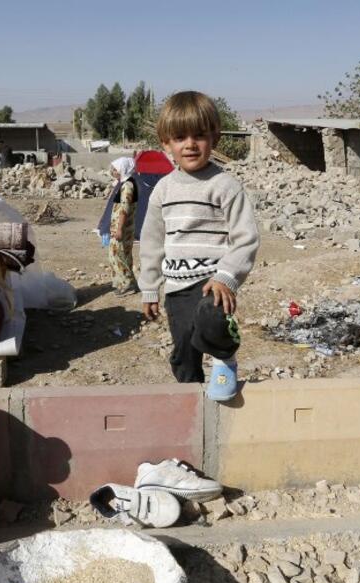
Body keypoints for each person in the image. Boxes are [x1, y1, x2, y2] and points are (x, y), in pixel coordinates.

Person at [139, 91, 259, 402]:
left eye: (199, 135)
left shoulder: (225, 187)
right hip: (176, 285)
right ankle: (188, 395)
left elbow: (245, 237)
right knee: (183, 350)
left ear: (214, 138)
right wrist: (150, 288)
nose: (190, 144)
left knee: (212, 321)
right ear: (166, 143)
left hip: (212, 282)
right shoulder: (163, 190)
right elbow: (152, 242)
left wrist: (226, 277)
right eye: (180, 137)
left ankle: (224, 361)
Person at [108, 157, 139, 296]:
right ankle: (126, 283)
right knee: (123, 256)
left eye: (116, 169)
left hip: (123, 229)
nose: (113, 171)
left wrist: (119, 228)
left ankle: (128, 285)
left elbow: (124, 209)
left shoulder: (128, 186)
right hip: (123, 228)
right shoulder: (126, 183)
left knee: (117, 255)